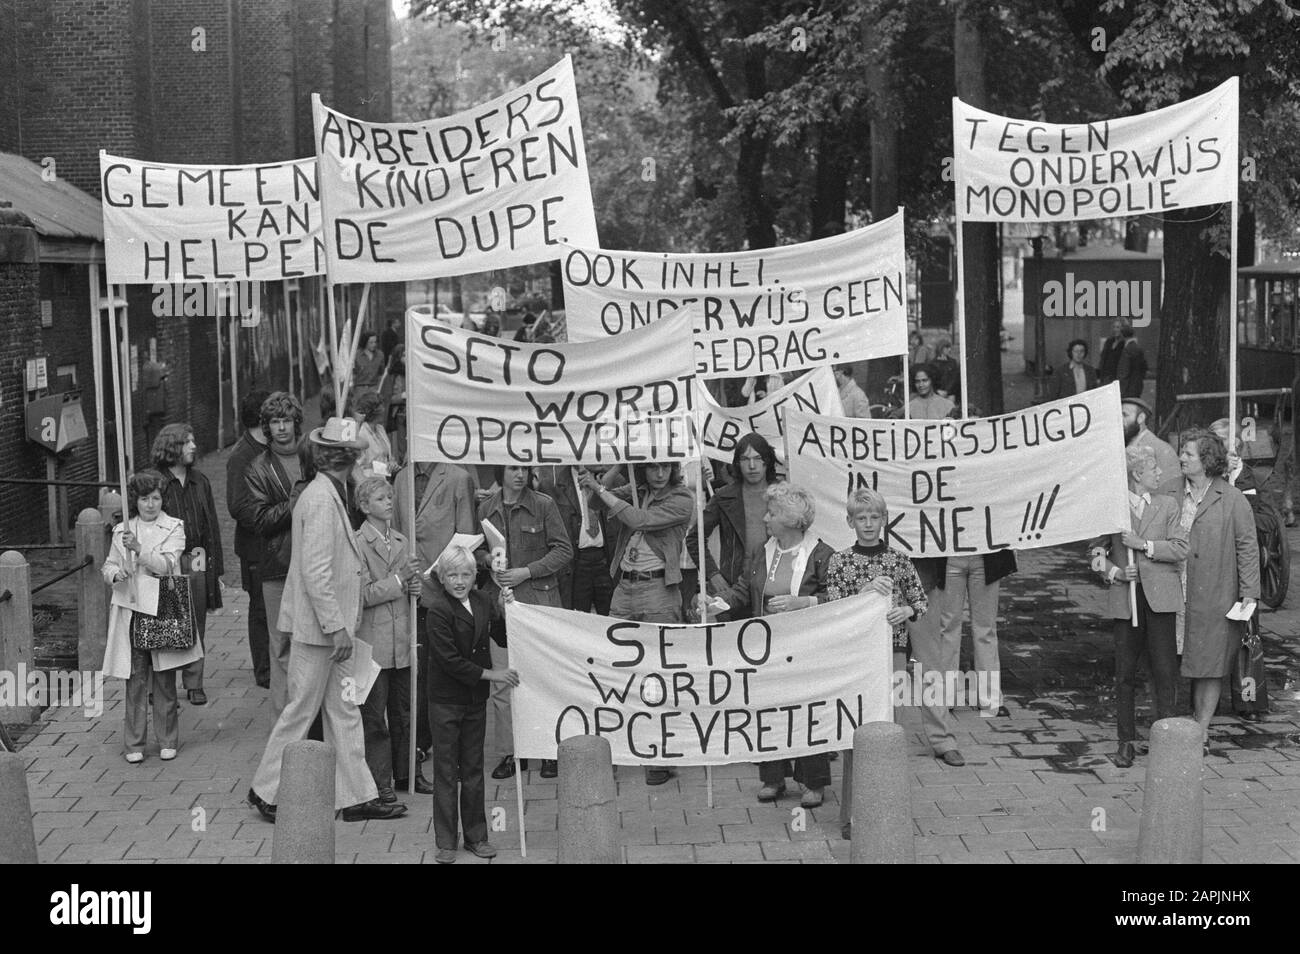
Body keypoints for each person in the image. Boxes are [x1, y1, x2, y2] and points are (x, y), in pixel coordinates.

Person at [247, 417, 407, 823]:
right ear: (348, 459)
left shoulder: (329, 493)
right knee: (302, 709)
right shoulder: (321, 500)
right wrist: (337, 627)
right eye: (359, 455)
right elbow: (316, 572)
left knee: (343, 709)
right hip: (322, 632)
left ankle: (356, 795)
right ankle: (266, 790)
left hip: (331, 631)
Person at [706, 484, 834, 807]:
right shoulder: (762, 550)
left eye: (773, 513)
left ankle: (813, 781)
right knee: (769, 710)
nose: (765, 518)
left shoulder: (822, 554)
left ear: (792, 520)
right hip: (766, 648)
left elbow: (838, 600)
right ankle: (773, 777)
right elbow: (743, 591)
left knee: (806, 711)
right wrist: (715, 604)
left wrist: (803, 602)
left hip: (806, 649)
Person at [581, 460, 694, 785]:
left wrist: (600, 485)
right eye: (652, 467)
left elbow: (637, 519)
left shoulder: (681, 498)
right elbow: (593, 503)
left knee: (657, 673)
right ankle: (616, 748)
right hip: (626, 586)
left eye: (664, 468)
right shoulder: (636, 486)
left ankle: (659, 755)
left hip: (658, 589)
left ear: (672, 470)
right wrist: (620, 463)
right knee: (616, 670)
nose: (658, 473)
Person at [823, 488, 927, 839]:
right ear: (850, 522)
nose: (868, 524)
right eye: (861, 518)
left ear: (884, 520)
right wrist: (865, 592)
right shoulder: (840, 561)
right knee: (859, 732)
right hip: (856, 653)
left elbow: (920, 601)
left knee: (890, 729)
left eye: (874, 517)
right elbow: (834, 609)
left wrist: (907, 610)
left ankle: (888, 811)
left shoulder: (899, 559)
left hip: (893, 650)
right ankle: (852, 815)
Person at [1160, 429, 1260, 751]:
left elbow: (1247, 547)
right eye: (1182, 452)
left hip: (1214, 593)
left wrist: (1249, 593)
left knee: (1209, 663)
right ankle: (1169, 727)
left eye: (1188, 453)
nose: (1181, 458)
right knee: (1167, 661)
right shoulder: (1168, 492)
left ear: (1206, 459)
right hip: (1171, 592)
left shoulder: (1233, 499)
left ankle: (1201, 729)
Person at [1091, 445, 1187, 767]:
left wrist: (1143, 546)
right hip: (1127, 603)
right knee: (1124, 674)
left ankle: (1167, 741)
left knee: (1164, 670)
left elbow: (1179, 548)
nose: (1161, 473)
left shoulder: (1168, 505)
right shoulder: (1113, 509)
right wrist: (1116, 572)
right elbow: (1094, 556)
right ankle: (1125, 743)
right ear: (1137, 475)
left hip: (1160, 601)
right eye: (1154, 469)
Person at [478, 464, 572, 781]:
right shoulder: (486, 507)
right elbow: (474, 549)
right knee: (504, 682)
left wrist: (527, 571)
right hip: (499, 605)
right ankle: (511, 752)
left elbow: (564, 550)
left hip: (537, 601)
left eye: (524, 468)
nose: (519, 474)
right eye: (512, 468)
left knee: (542, 679)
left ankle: (547, 750)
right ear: (499, 471)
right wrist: (487, 559)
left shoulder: (543, 504)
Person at [426, 546, 516, 864]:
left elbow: (502, 637)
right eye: (452, 575)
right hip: (446, 701)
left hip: (475, 701)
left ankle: (477, 836)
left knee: (475, 769)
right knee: (448, 772)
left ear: (475, 576)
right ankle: (446, 841)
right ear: (442, 577)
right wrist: (493, 675)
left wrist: (505, 611)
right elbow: (449, 661)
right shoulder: (437, 609)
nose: (459, 580)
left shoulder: (482, 600)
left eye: (465, 574)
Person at [102, 470, 197, 763]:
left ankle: (167, 738)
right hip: (132, 609)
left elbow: (166, 565)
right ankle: (134, 743)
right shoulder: (122, 531)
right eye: (144, 499)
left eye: (156, 498)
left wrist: (139, 550)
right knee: (135, 678)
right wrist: (117, 573)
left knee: (164, 678)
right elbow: (107, 566)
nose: (150, 505)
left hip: (162, 608)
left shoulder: (174, 528)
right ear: (136, 500)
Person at [393, 459, 480, 773]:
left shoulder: (458, 477)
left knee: (445, 667)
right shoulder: (402, 478)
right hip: (410, 588)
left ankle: (447, 741)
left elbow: (467, 536)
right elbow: (396, 529)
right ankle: (418, 740)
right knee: (416, 669)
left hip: (444, 588)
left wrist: (454, 583)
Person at [354, 475, 431, 801]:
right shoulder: (358, 543)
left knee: (405, 712)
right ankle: (379, 780)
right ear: (364, 506)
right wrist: (400, 580)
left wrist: (415, 587)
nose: (389, 502)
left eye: (390, 497)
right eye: (381, 498)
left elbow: (408, 588)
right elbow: (364, 594)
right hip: (374, 643)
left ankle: (408, 772)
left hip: (402, 641)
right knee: (375, 717)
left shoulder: (401, 540)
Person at [238, 392, 310, 714]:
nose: (281, 428)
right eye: (274, 422)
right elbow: (260, 520)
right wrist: (296, 502)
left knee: (313, 643)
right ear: (266, 427)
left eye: (286, 420)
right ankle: (285, 720)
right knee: (280, 645)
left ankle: (311, 712)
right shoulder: (258, 467)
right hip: (278, 566)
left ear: (296, 422)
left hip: (316, 562)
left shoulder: (313, 456)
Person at [153, 423, 223, 707]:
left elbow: (211, 527)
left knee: (196, 621)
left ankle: (194, 682)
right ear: (172, 447)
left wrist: (214, 571)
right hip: (167, 559)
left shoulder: (200, 481)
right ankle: (160, 683)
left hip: (195, 556)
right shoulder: (156, 481)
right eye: (187, 442)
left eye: (193, 441)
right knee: (167, 622)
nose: (194, 446)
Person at [1209, 418, 1270, 721]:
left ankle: (1248, 699)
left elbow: (1266, 521)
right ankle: (1208, 698)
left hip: (1242, 563)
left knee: (1247, 631)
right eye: (1215, 442)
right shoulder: (1209, 477)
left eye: (1224, 441)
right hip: (1213, 565)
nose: (1220, 448)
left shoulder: (1250, 477)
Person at [687, 434, 777, 622]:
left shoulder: (782, 493)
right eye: (745, 459)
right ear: (737, 463)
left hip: (774, 580)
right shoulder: (724, 496)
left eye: (758, 458)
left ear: (767, 461)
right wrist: (712, 574)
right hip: (734, 584)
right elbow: (695, 537)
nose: (752, 466)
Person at [226, 389, 271, 689]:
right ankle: (264, 671)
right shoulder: (243, 455)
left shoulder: (271, 449)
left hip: (275, 545)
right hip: (257, 547)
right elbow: (238, 506)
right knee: (260, 607)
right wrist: (273, 519)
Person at [938, 549, 1017, 718]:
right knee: (947, 628)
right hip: (948, 555)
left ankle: (991, 698)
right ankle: (946, 697)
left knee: (985, 628)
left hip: (986, 556)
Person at [536, 464, 615, 615]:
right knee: (578, 618)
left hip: (606, 558)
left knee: (611, 616)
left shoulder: (612, 478)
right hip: (575, 562)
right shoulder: (552, 483)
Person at [1122, 397, 1179, 480]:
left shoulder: (1158, 448)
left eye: (1125, 415)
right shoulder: (1129, 444)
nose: (1120, 420)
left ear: (1140, 418)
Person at [352, 389, 393, 482]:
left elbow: (386, 455)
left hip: (384, 480)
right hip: (369, 481)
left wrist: (391, 463)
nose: (385, 410)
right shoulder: (361, 432)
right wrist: (385, 467)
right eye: (382, 407)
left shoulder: (380, 429)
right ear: (375, 411)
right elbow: (358, 465)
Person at [1115, 326, 1147, 399]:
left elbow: (1123, 372)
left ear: (1122, 335)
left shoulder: (1127, 350)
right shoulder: (1138, 348)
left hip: (1127, 390)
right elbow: (1144, 368)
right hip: (1137, 387)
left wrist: (1120, 391)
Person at [1098, 320, 1126, 385]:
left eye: (1118, 327)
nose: (1115, 329)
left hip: (1117, 378)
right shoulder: (1109, 341)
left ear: (1123, 329)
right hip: (1106, 377)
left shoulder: (1124, 344)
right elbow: (1103, 359)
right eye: (1114, 327)